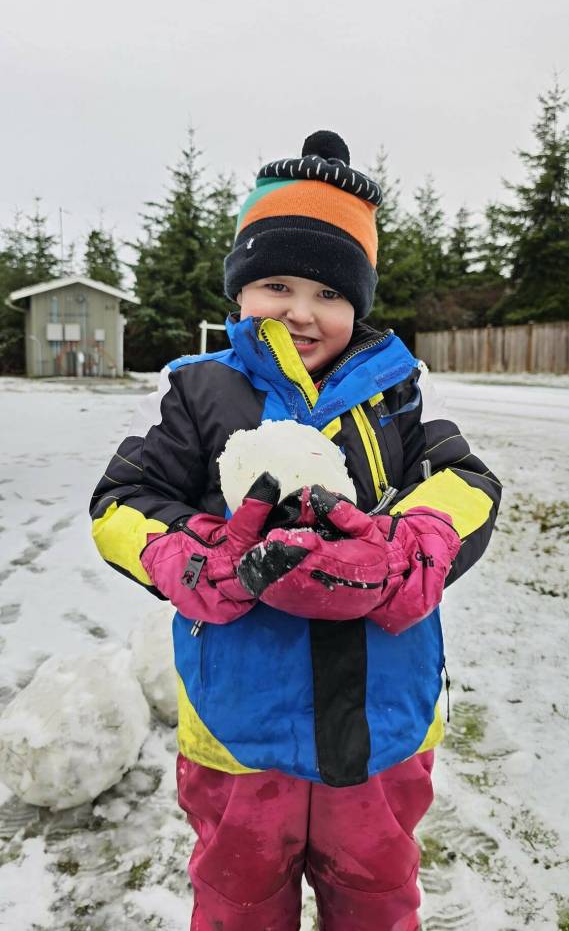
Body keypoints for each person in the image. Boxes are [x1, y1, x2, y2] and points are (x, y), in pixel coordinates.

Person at [89, 130, 501, 931]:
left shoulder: (396, 395)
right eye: (276, 283)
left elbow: (468, 483)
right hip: (240, 732)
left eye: (328, 292)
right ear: (240, 291)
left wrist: (413, 542)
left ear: (358, 303)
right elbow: (120, 502)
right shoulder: (199, 393)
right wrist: (197, 555)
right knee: (239, 900)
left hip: (384, 725)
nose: (302, 312)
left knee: (376, 899)